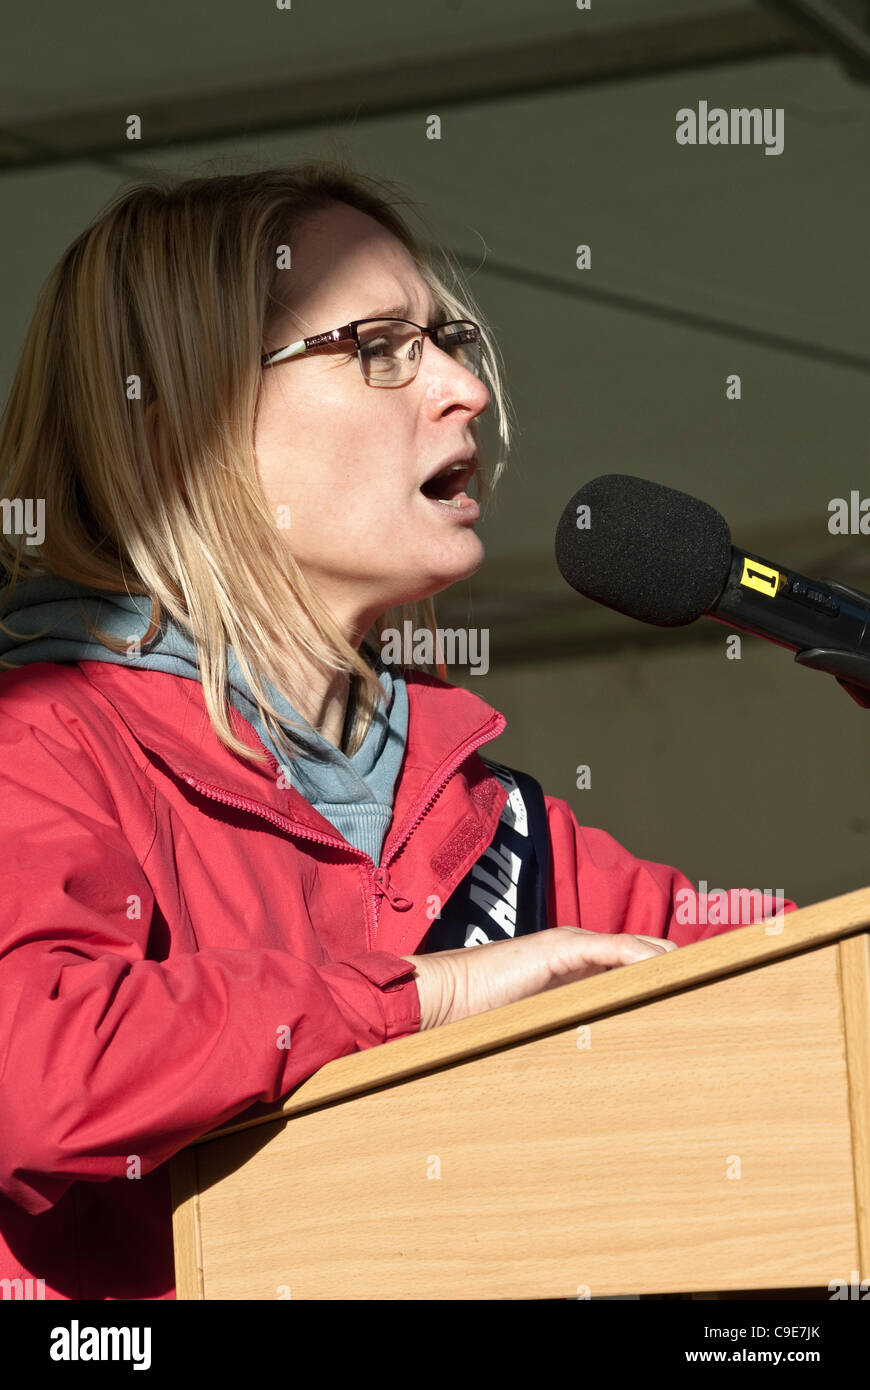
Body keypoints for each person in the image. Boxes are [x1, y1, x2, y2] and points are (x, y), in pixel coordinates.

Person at [0, 160, 796, 1301]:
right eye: (379, 346)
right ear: (174, 420)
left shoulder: (494, 823)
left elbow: (789, 991)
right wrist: (430, 995)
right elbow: (34, 1072)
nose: (464, 387)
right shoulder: (38, 746)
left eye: (450, 339)